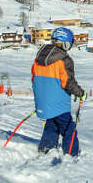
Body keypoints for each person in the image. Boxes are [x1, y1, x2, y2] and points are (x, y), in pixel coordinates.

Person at [31, 27, 86, 156]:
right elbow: (68, 82)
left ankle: (46, 147)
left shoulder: (39, 58)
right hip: (59, 102)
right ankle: (71, 153)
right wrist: (80, 93)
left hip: (43, 102)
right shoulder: (63, 60)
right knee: (68, 127)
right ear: (65, 43)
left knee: (52, 123)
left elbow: (34, 79)